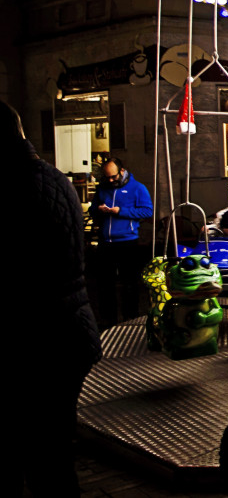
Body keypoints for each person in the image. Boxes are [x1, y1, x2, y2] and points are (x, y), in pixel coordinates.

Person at [2, 100, 101, 496]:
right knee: (54, 448)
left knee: (33, 451)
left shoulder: (11, 186)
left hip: (36, 336)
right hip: (71, 328)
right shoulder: (54, 177)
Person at [89, 155, 153, 325]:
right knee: (105, 285)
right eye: (107, 177)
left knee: (129, 284)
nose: (110, 180)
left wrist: (121, 211)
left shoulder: (138, 188)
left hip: (127, 242)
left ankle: (130, 319)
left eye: (114, 176)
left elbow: (147, 211)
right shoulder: (102, 188)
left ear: (122, 171)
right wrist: (99, 210)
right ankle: (107, 321)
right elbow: (92, 209)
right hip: (105, 243)